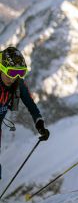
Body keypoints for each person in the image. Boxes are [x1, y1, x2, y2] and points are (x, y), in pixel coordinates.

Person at [0, 47, 50, 179]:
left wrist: (39, 123)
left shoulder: (17, 84)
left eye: (20, 73)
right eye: (11, 72)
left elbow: (31, 105)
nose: (14, 78)